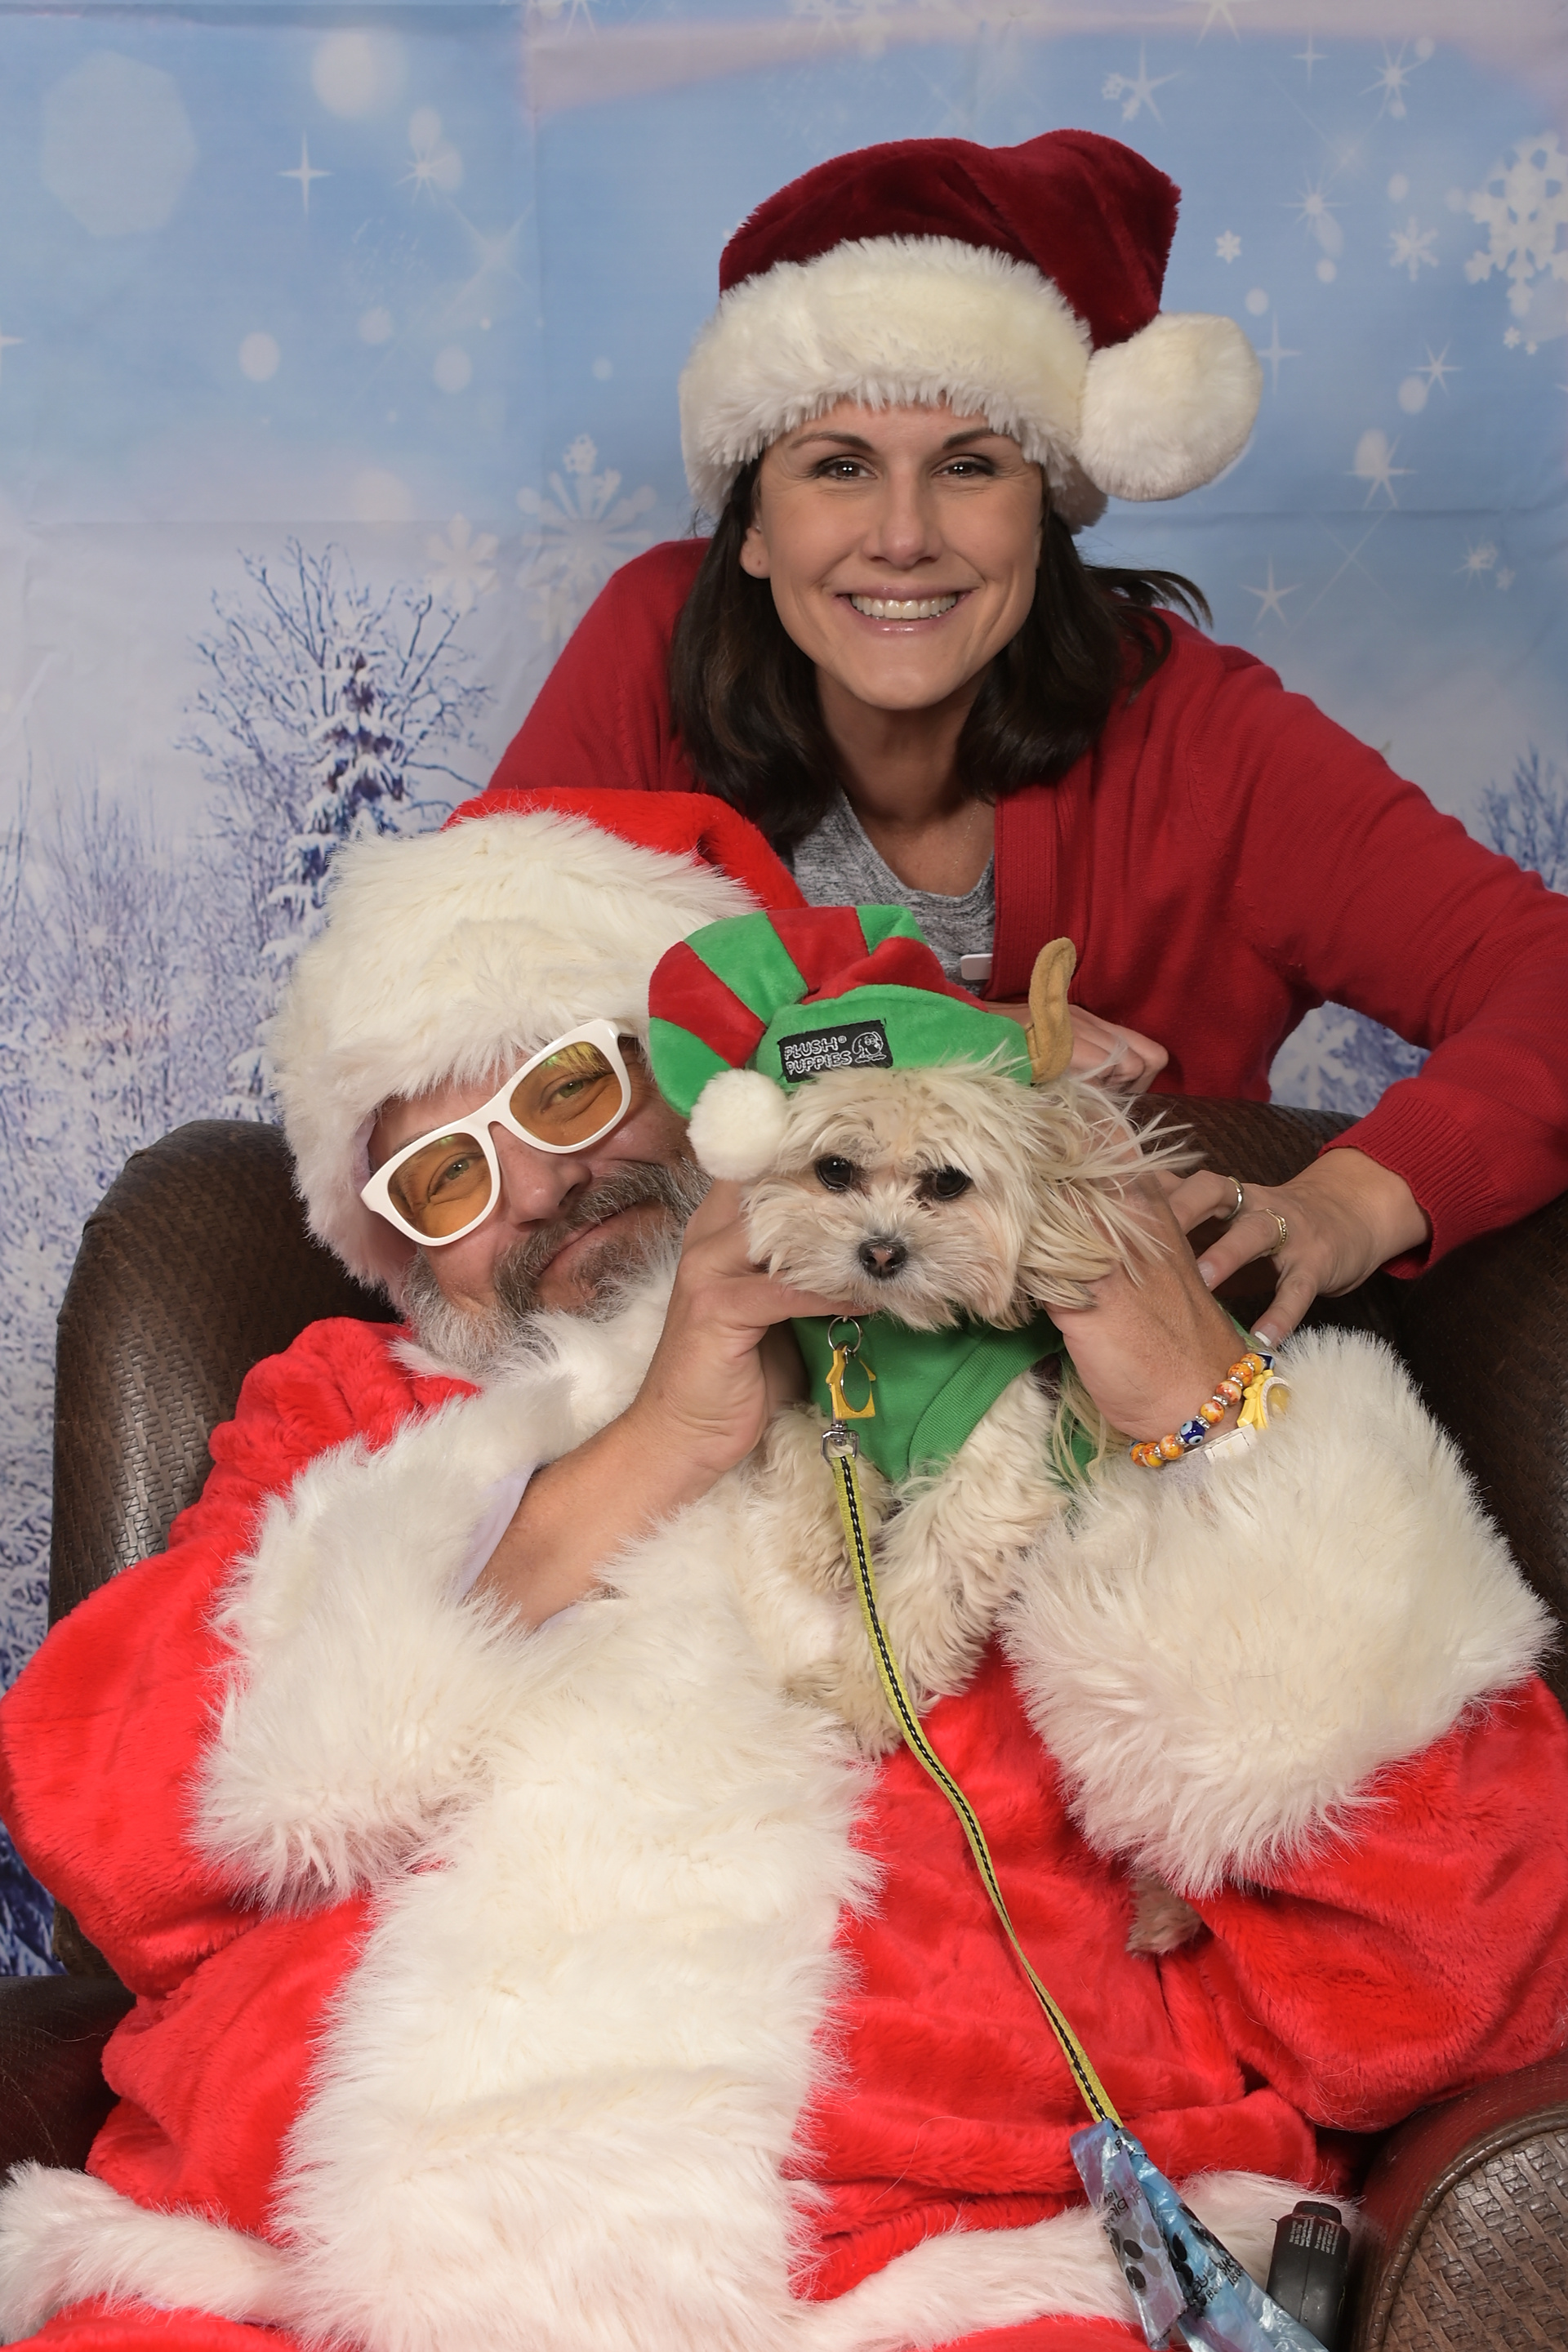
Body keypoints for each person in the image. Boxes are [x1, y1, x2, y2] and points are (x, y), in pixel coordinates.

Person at [1, 786, 1566, 2352]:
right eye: (447, 1180)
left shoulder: (1046, 1355)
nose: (535, 1187)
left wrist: (1197, 1406)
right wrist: (651, 1450)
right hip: (303, 2293)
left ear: (725, 1083)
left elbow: (1459, 1972)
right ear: (407, 1258)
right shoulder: (348, 1417)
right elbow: (121, 1834)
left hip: (925, 2284)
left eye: (567, 1088)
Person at [491, 127, 1568, 1348]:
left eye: (968, 465)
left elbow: (1545, 972)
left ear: (1046, 510)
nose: (903, 537)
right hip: (738, 1391)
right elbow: (466, 1015)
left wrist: (1358, 1198)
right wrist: (933, 1036)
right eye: (838, 467)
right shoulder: (652, 644)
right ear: (752, 525)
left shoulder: (1199, 736)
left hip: (1099, 1407)